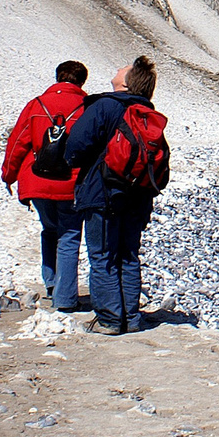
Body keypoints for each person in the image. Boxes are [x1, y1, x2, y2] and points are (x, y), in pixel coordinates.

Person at [65, 56, 163, 335]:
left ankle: (109, 320)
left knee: (103, 255)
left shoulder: (106, 106)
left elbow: (77, 145)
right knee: (129, 255)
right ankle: (131, 318)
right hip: (139, 194)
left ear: (126, 81)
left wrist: (75, 162)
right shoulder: (148, 113)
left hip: (103, 192)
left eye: (123, 68)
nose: (118, 69)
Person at [1, 60, 89, 312]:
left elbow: (18, 141)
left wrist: (9, 175)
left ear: (57, 77)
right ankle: (65, 298)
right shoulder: (86, 106)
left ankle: (51, 284)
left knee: (49, 229)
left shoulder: (36, 104)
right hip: (71, 181)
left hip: (37, 180)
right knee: (70, 235)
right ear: (82, 81)